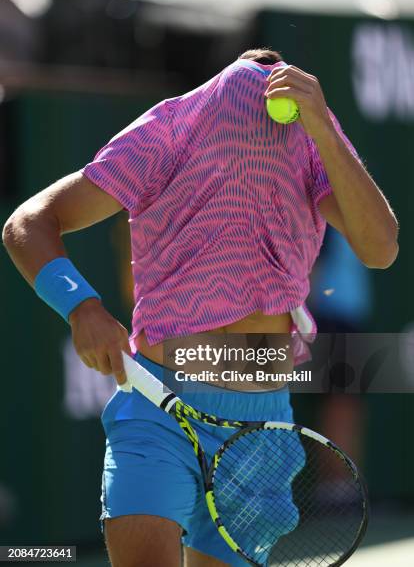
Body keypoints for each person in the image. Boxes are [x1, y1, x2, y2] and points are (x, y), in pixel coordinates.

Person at [2, 48, 398, 567]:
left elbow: (380, 248)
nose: (262, 87)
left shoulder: (310, 140)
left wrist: (324, 127)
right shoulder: (168, 130)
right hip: (159, 404)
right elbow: (27, 223)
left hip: (262, 426)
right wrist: (83, 309)